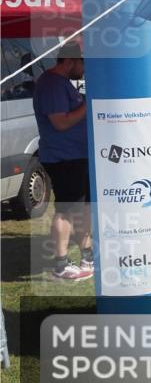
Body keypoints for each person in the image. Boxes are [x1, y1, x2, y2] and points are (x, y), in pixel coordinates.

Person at [33, 42, 93, 281]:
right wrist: (88, 104)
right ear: (70, 61)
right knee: (66, 211)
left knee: (83, 208)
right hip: (63, 158)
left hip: (76, 156)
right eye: (82, 63)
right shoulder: (51, 84)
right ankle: (61, 264)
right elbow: (61, 122)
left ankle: (88, 256)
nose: (84, 68)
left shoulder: (62, 83)